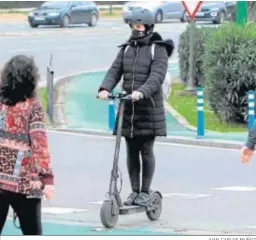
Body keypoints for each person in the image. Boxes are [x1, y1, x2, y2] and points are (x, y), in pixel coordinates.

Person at [98, 9, 174, 207]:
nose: (135, 29)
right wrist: (105, 88)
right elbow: (115, 71)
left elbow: (156, 76)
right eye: (133, 26)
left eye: (139, 26)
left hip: (148, 108)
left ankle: (145, 191)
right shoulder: (126, 49)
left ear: (148, 27)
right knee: (131, 150)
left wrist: (141, 92)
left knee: (146, 149)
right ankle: (134, 191)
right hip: (129, 110)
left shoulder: (158, 48)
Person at [0, 55, 54, 235]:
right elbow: (39, 144)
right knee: (32, 231)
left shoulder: (1, 105)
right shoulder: (34, 107)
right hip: (26, 180)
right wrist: (47, 178)